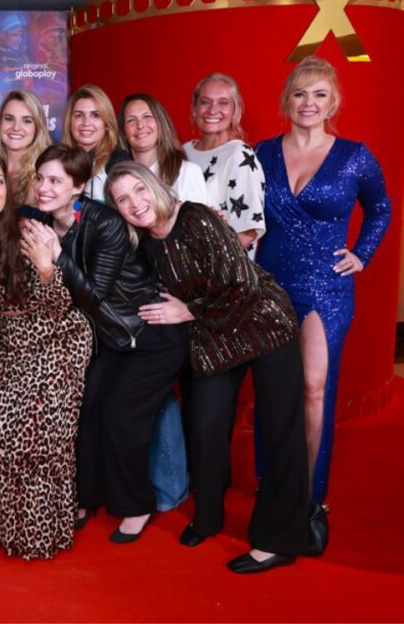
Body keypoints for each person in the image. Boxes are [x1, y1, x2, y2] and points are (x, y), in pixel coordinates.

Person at [106, 162, 310, 574]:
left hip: (264, 323)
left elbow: (244, 286)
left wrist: (188, 310)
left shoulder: (195, 217)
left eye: (139, 191)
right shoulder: (145, 244)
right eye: (123, 199)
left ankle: (278, 540)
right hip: (216, 337)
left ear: (155, 188)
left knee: (279, 429)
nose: (135, 203)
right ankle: (209, 517)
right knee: (204, 426)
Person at [254, 56, 391, 553]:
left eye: (319, 95)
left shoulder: (355, 155)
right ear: (285, 100)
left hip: (326, 289)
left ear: (333, 103)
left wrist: (362, 254)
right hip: (268, 287)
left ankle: (310, 499)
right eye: (300, 94)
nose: (308, 103)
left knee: (313, 389)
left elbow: (381, 208)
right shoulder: (261, 153)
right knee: (274, 392)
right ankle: (273, 485)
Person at [25, 145, 188, 542]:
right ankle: (87, 495)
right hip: (112, 340)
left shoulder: (105, 223)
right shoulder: (39, 222)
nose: (44, 188)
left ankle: (136, 504)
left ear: (77, 187)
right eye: (41, 179)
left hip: (150, 335)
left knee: (122, 415)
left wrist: (58, 257)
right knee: (87, 407)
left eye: (56, 181)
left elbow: (94, 296)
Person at [0, 149, 91, 559]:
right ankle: (6, 531)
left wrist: (48, 271)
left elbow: (62, 307)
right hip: (12, 349)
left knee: (42, 438)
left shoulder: (30, 232)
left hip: (59, 342)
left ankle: (41, 535)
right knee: (1, 434)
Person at [183, 73, 266, 257]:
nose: (213, 110)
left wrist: (205, 265)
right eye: (205, 102)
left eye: (223, 102)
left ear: (235, 111)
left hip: (222, 277)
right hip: (182, 277)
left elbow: (248, 232)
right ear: (195, 109)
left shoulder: (239, 155)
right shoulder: (183, 152)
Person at [120, 93, 206, 204]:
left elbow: (195, 220)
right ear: (124, 132)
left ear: (160, 123)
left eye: (147, 116)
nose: (140, 125)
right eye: (131, 120)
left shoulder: (187, 172)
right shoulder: (118, 179)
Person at [61, 84, 130, 202]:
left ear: (107, 124)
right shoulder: (59, 161)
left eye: (95, 115)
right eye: (78, 115)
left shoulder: (118, 161)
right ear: (69, 122)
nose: (86, 123)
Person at [0, 90, 51, 205]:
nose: (16, 128)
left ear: (37, 127)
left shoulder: (45, 173)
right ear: (0, 123)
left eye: (27, 121)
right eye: (9, 119)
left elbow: (75, 208)